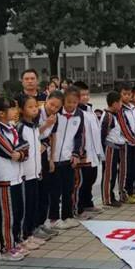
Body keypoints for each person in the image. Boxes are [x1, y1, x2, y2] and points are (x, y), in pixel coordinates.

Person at [0, 97, 30, 261]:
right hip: (4, 178)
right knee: (7, 215)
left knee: (18, 211)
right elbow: (9, 152)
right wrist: (20, 153)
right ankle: (6, 247)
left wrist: (20, 153)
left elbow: (24, 146)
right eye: (11, 109)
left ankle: (15, 240)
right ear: (1, 113)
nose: (15, 112)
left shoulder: (11, 128)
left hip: (17, 176)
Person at [17, 94, 51, 245]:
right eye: (30, 107)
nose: (34, 109)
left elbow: (37, 147)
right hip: (25, 174)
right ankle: (23, 236)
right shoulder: (20, 127)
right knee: (25, 207)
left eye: (35, 106)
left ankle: (30, 234)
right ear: (21, 109)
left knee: (33, 205)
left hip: (35, 173)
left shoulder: (34, 127)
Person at [48, 86, 84, 229]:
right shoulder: (56, 114)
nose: (71, 105)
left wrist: (76, 153)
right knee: (55, 190)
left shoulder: (79, 114)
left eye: (74, 102)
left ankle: (67, 216)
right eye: (68, 102)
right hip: (54, 158)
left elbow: (79, 136)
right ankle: (53, 218)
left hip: (68, 158)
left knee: (68, 189)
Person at [74, 81, 104, 219]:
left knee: (91, 178)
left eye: (87, 94)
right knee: (82, 181)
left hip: (93, 151)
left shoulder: (89, 109)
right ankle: (79, 208)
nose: (85, 97)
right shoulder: (76, 112)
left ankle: (88, 203)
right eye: (82, 95)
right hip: (83, 153)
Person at [38, 91, 62, 236]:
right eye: (51, 104)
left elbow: (53, 137)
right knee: (37, 192)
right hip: (33, 155)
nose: (53, 108)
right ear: (46, 100)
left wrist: (52, 158)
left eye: (57, 107)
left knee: (45, 190)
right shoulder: (36, 113)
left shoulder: (56, 117)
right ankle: (35, 225)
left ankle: (43, 222)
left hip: (45, 155)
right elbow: (30, 133)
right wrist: (46, 124)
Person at [116, 85, 135, 204]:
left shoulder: (133, 108)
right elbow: (124, 127)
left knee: (134, 168)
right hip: (126, 144)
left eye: (129, 94)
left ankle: (131, 191)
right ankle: (124, 193)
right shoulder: (120, 109)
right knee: (126, 170)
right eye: (124, 94)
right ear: (120, 95)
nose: (127, 96)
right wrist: (134, 139)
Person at [100, 91, 125, 207]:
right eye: (120, 102)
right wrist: (103, 150)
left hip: (116, 147)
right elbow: (102, 135)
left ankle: (111, 195)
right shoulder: (107, 117)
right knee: (108, 174)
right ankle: (107, 198)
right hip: (109, 148)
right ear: (114, 103)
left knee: (113, 172)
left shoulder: (114, 115)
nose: (121, 105)